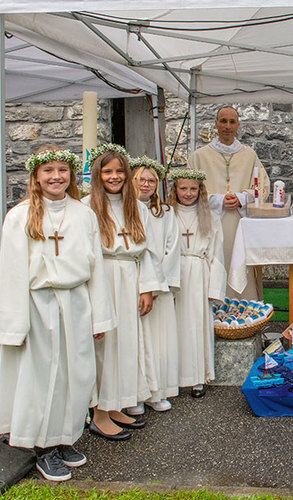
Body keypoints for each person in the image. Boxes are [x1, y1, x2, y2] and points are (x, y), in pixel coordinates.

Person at [0, 147, 114, 482]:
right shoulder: (20, 216)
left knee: (76, 373)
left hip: (75, 301)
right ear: (36, 176)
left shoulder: (83, 213)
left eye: (62, 170)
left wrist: (99, 317)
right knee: (43, 376)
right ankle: (43, 447)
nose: (56, 176)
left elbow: (95, 267)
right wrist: (14, 324)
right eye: (49, 170)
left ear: (71, 175)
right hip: (38, 304)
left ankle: (64, 437)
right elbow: (12, 272)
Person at [82, 143, 164, 441]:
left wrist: (147, 289)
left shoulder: (138, 208)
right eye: (108, 171)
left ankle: (115, 405)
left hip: (130, 276)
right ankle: (99, 413)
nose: (114, 176)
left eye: (119, 171)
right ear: (97, 174)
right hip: (103, 277)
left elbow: (149, 253)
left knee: (126, 345)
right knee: (105, 347)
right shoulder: (87, 206)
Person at [186, 106, 270, 300]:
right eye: (223, 121)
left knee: (239, 266)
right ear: (216, 124)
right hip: (209, 222)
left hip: (241, 223)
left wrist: (241, 198)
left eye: (232, 122)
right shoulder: (199, 156)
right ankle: (214, 312)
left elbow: (263, 186)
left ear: (238, 125)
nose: (227, 126)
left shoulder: (249, 156)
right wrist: (217, 200)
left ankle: (245, 313)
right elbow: (186, 189)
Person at [128, 156, 181, 414]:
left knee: (159, 342)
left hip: (159, 286)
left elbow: (172, 247)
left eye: (152, 180)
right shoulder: (125, 210)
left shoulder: (166, 214)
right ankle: (137, 393)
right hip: (131, 282)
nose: (147, 185)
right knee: (137, 343)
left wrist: (159, 283)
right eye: (141, 179)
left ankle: (157, 391)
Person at [169, 168, 226, 399]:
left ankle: (197, 378)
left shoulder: (210, 217)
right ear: (175, 190)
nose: (188, 193)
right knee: (173, 326)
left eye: (193, 188)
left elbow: (217, 254)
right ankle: (172, 377)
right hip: (175, 272)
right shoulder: (166, 214)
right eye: (183, 188)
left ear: (201, 190)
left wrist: (214, 289)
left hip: (200, 273)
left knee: (196, 325)